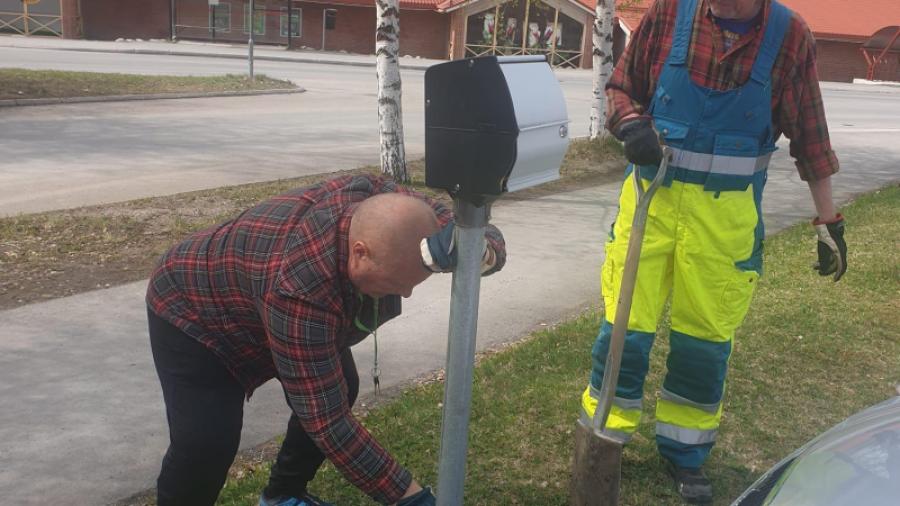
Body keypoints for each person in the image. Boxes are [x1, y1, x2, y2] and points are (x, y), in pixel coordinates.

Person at [578, 0, 848, 503]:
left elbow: (811, 137)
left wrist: (828, 221)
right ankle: (602, 439)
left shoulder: (790, 36)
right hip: (649, 213)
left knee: (703, 346)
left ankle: (685, 454)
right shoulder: (668, 16)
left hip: (724, 229)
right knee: (624, 333)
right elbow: (619, 89)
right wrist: (631, 123)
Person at [146, 174, 506, 506]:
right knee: (207, 442)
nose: (407, 294)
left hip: (261, 293)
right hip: (195, 312)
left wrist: (482, 247)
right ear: (361, 252)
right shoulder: (301, 289)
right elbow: (329, 423)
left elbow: (449, 220)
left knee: (342, 385)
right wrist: (411, 499)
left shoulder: (377, 195)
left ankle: (281, 497)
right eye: (397, 283)